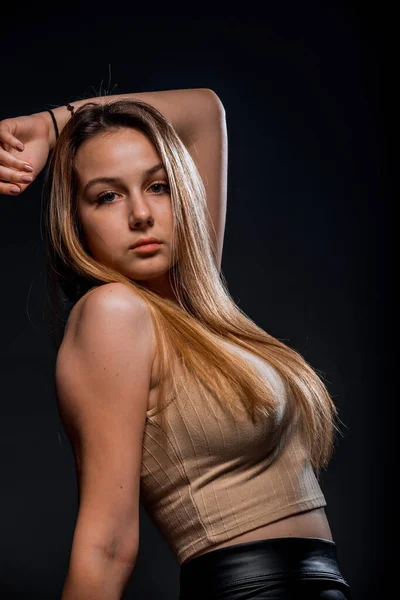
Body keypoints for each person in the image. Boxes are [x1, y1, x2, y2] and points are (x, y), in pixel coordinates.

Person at [0, 88, 352, 599]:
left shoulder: (197, 303)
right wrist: (58, 135)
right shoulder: (114, 314)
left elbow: (204, 110)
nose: (141, 214)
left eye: (158, 186)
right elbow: (107, 546)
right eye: (108, 195)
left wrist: (48, 126)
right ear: (75, 223)